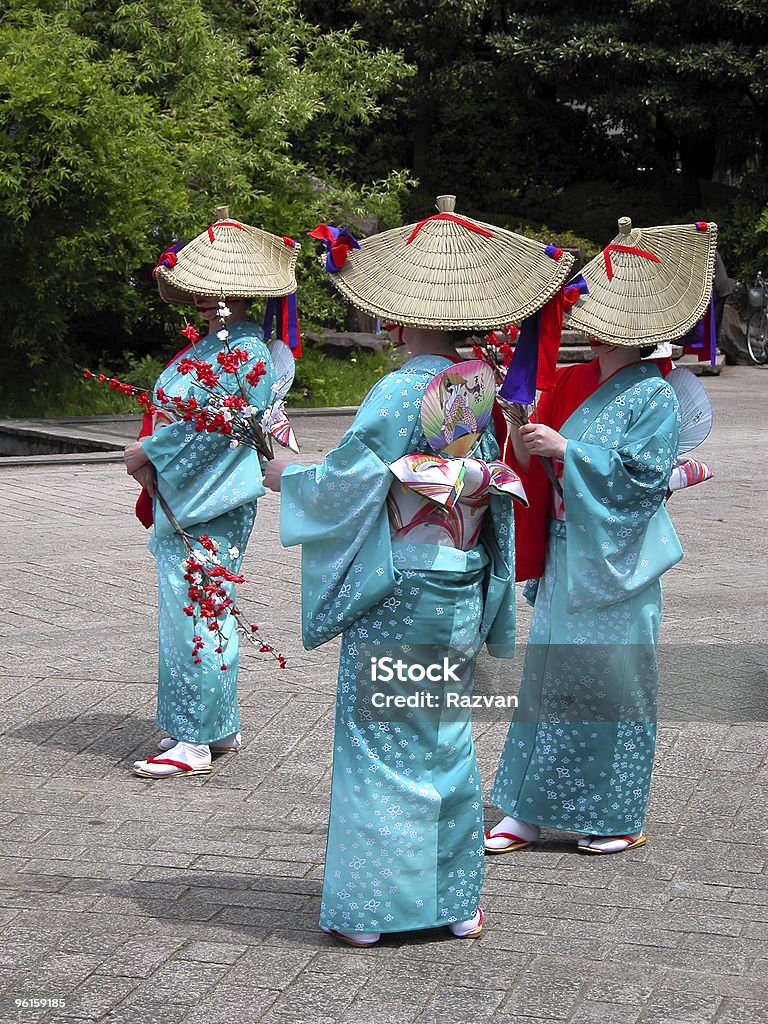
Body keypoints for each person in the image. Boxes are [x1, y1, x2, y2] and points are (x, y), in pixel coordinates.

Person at [264, 195, 574, 944]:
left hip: (400, 581)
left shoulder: (404, 386)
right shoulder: (485, 383)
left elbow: (355, 479)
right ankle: (453, 901)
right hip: (459, 577)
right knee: (440, 734)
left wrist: (287, 477)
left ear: (395, 318)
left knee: (381, 737)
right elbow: (487, 482)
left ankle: (376, 910)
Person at [486, 216, 717, 854]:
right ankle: (527, 808)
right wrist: (524, 441)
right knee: (548, 676)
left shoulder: (656, 395)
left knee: (613, 681)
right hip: (568, 551)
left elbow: (645, 483)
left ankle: (610, 813)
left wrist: (569, 452)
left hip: (620, 558)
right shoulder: (572, 379)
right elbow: (538, 462)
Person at [125, 210, 300, 779]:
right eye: (201, 287)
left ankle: (192, 738)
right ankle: (217, 725)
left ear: (244, 292)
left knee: (194, 613)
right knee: (203, 609)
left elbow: (218, 427)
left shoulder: (245, 354)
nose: (206, 298)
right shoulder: (219, 348)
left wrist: (150, 453)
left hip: (211, 499)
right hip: (203, 495)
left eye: (219, 289)